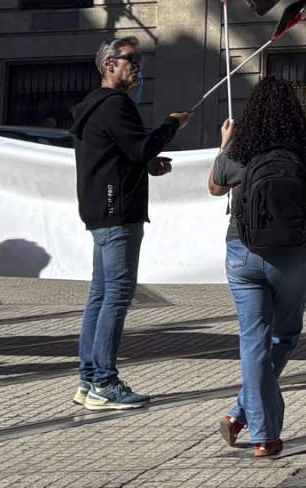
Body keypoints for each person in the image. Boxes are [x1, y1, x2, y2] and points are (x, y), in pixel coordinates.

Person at [208, 77, 306, 457]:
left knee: (253, 341)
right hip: (291, 254)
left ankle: (260, 432)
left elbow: (215, 186)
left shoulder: (242, 146)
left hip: (242, 250)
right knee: (286, 335)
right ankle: (245, 417)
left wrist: (225, 143)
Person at [70, 36, 188, 411]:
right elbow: (140, 146)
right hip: (117, 212)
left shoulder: (96, 107)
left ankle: (89, 379)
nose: (138, 67)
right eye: (131, 60)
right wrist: (171, 125)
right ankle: (104, 382)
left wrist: (148, 164)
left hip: (102, 209)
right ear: (110, 65)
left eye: (139, 61)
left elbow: (120, 153)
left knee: (101, 295)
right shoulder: (114, 105)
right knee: (117, 294)